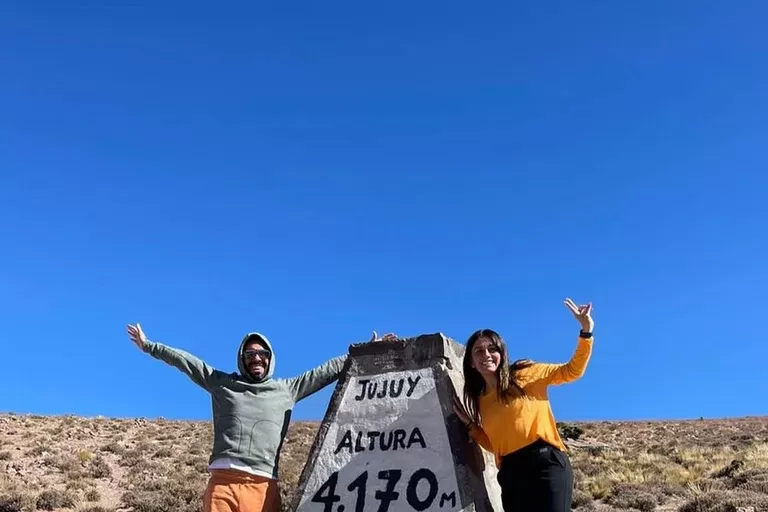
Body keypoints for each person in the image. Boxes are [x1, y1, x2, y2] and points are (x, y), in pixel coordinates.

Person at [126, 323, 396, 512]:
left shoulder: (287, 390)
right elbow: (188, 362)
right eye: (250, 354)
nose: (256, 358)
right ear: (242, 358)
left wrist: (364, 351)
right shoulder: (222, 383)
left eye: (262, 354)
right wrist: (150, 346)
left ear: (270, 359)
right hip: (223, 484)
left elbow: (325, 372)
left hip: (264, 487)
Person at [452, 298, 594, 512]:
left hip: (545, 464)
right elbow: (497, 444)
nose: (487, 355)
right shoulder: (481, 399)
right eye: (479, 351)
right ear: (471, 362)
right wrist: (472, 428)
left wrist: (586, 331)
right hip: (511, 475)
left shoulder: (526, 372)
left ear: (501, 352)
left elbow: (572, 371)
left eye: (492, 349)